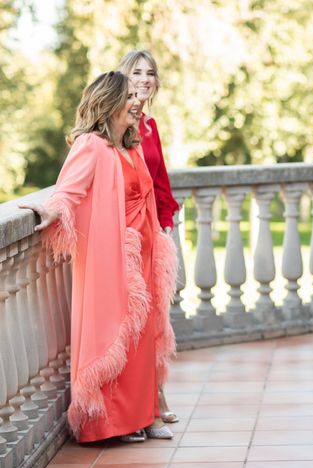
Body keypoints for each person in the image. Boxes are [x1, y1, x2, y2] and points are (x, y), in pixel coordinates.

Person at [20, 71, 177, 443]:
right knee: (114, 336)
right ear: (109, 104)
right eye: (129, 97)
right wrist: (51, 210)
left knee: (142, 342)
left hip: (145, 254)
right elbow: (68, 190)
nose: (136, 102)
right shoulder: (91, 145)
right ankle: (108, 423)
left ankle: (142, 416)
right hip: (115, 257)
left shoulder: (131, 146)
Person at [118, 50, 180, 424]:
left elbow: (160, 182)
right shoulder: (116, 125)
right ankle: (135, 407)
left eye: (150, 73)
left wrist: (167, 219)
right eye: (136, 72)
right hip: (126, 235)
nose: (144, 79)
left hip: (153, 235)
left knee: (156, 319)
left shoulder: (150, 126)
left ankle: (156, 395)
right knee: (133, 319)